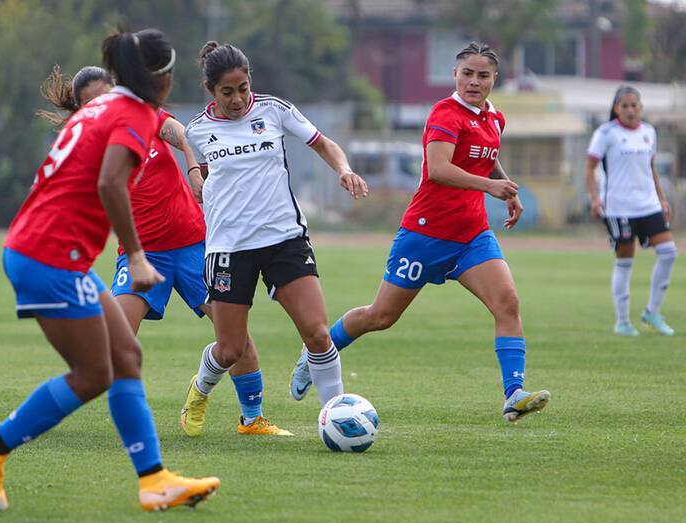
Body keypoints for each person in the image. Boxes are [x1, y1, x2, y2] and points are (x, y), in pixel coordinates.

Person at [0, 29, 220, 513]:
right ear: (163, 81)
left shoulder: (102, 107)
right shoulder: (134, 113)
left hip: (53, 253)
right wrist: (138, 256)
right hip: (47, 256)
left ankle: (154, 479)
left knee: (125, 356)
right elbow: (109, 184)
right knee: (94, 373)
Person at [290, 42, 551, 423]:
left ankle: (514, 394)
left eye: (483, 75)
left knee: (507, 302)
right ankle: (315, 354)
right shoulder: (446, 113)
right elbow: (439, 169)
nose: (474, 82)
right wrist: (489, 188)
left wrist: (507, 186)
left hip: (472, 235)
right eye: (467, 74)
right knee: (380, 316)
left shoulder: (494, 118)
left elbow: (485, 159)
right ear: (455, 76)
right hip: (426, 234)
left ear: (495, 79)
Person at [39, 63, 285, 437]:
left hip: (192, 245)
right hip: (141, 255)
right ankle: (45, 416)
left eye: (109, 96)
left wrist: (194, 170)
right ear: (82, 110)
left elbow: (186, 137)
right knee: (111, 346)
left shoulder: (146, 116)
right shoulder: (86, 147)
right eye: (93, 103)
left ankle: (252, 420)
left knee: (234, 340)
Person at [182, 41, 368, 416]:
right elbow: (197, 175)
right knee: (230, 349)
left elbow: (323, 144)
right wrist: (197, 183)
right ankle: (201, 389)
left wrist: (344, 169)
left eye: (244, 88)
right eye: (227, 92)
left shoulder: (274, 110)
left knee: (317, 333)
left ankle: (337, 414)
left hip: (284, 237)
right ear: (210, 90)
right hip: (229, 247)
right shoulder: (197, 131)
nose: (238, 99)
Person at [586, 86, 677, 336]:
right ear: (616, 108)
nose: (630, 110)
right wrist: (595, 199)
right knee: (625, 260)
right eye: (624, 105)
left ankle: (652, 312)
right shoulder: (606, 133)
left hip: (648, 205)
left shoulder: (649, 132)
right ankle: (623, 321)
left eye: (634, 105)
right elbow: (589, 167)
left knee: (669, 253)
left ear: (641, 108)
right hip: (618, 207)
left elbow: (651, 167)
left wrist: (662, 199)